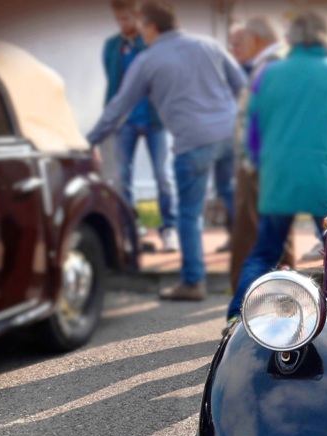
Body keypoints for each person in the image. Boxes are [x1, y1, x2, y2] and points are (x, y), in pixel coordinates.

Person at [86, 1, 244, 301]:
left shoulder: (148, 59)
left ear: (151, 26)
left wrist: (90, 140)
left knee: (189, 213)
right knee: (234, 197)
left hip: (193, 142)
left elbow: (119, 105)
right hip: (228, 135)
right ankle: (256, 273)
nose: (141, 31)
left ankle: (193, 282)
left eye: (143, 26)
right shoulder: (209, 44)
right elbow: (241, 84)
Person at [226, 9, 327, 324]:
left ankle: (236, 317)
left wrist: (258, 164)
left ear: (292, 38)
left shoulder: (267, 74)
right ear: (326, 36)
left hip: (277, 176)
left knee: (263, 253)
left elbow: (253, 130)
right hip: (322, 176)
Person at [102, 0, 177, 253]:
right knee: (123, 178)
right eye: (118, 19)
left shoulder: (153, 43)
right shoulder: (112, 46)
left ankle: (169, 230)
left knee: (163, 177)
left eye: (127, 19)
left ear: (138, 16)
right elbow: (113, 84)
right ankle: (129, 229)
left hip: (155, 120)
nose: (123, 24)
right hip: (125, 122)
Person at [225, 17, 286, 282]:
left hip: (261, 159)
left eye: (240, 41)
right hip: (273, 157)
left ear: (255, 38)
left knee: (249, 228)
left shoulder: (270, 64)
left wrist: (249, 158)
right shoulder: (279, 60)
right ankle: (282, 287)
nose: (234, 48)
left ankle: (243, 295)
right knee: (275, 226)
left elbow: (260, 115)